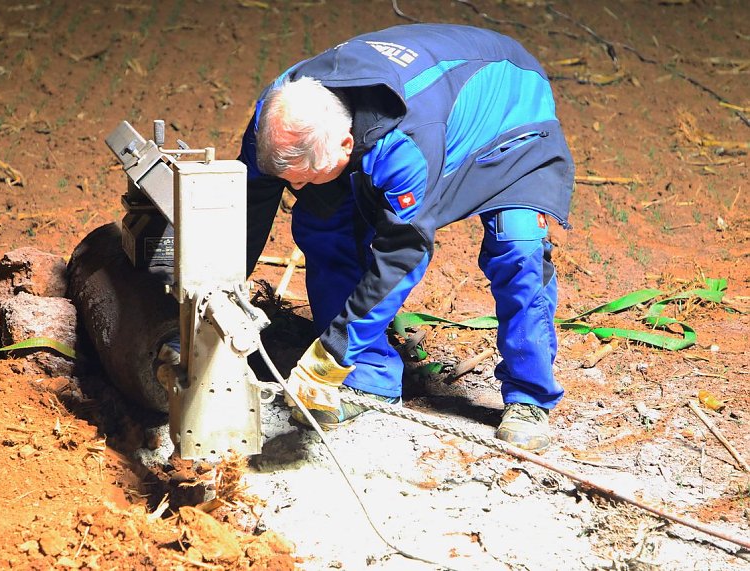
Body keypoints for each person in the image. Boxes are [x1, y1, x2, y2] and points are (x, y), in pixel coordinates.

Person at [237, 23, 575, 452]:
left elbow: (402, 252)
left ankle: (529, 395)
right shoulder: (279, 111)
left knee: (518, 244)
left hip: (508, 115)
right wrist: (207, 299)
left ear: (345, 143)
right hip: (413, 111)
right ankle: (368, 379)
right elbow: (245, 205)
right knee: (324, 225)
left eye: (305, 178)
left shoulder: (407, 143)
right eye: (290, 180)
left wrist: (333, 349)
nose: (295, 190)